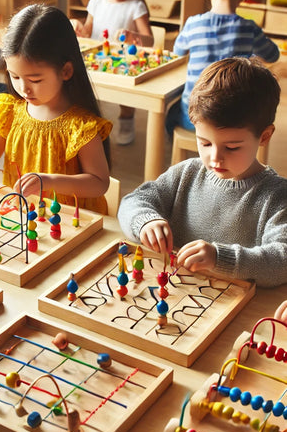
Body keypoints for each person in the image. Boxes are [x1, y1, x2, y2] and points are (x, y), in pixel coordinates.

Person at [118, 57, 287, 287]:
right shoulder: (187, 173)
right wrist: (146, 221)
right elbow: (132, 201)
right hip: (172, 299)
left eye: (232, 147)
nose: (215, 157)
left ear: (264, 137)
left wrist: (220, 258)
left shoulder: (277, 197)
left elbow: (281, 262)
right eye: (205, 143)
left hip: (231, 310)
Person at [0, 4, 112, 215]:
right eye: (14, 77)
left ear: (66, 71)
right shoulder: (12, 111)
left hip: (71, 222)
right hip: (26, 219)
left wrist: (49, 181)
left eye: (35, 79)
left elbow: (99, 183)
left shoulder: (80, 126)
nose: (23, 88)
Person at [168, 0, 279, 133]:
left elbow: (177, 52)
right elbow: (273, 55)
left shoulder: (193, 24)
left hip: (195, 119)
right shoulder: (249, 29)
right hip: (236, 118)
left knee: (171, 112)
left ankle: (187, 149)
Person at [72, 0, 153, 146]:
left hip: (122, 62)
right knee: (85, 94)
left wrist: (133, 35)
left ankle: (126, 120)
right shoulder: (96, 2)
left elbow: (149, 40)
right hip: (96, 59)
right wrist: (79, 27)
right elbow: (89, 31)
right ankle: (92, 126)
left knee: (125, 100)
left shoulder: (134, 6)